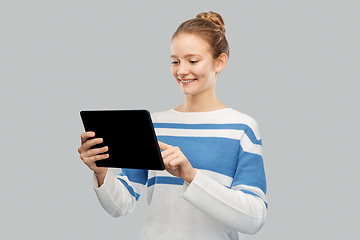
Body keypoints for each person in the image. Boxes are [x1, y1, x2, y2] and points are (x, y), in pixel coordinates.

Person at [78, 11, 267, 240]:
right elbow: (121, 204)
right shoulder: (154, 124)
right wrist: (101, 172)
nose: (181, 70)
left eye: (193, 60)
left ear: (220, 62)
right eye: (175, 61)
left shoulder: (241, 128)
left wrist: (192, 176)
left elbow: (254, 217)